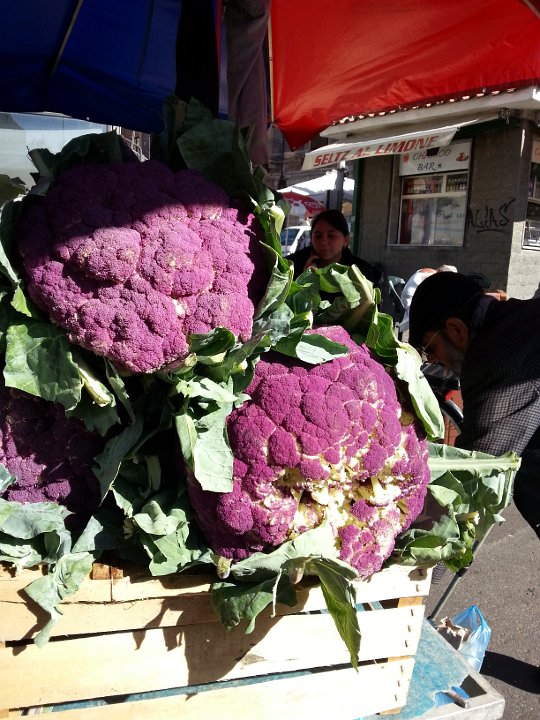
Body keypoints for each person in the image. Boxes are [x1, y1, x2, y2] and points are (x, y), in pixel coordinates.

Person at [409, 271, 540, 540]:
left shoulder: (495, 362)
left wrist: (415, 548)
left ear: (456, 329)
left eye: (430, 349)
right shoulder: (518, 315)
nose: (433, 362)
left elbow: (473, 476)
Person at [287, 209, 382, 287]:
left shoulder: (360, 273)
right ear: (311, 239)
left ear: (346, 240)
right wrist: (303, 280)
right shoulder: (291, 265)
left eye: (331, 236)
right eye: (318, 236)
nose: (323, 242)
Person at [398, 265, 457, 338]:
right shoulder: (434, 277)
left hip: (408, 296)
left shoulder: (431, 271)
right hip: (410, 299)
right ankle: (426, 337)